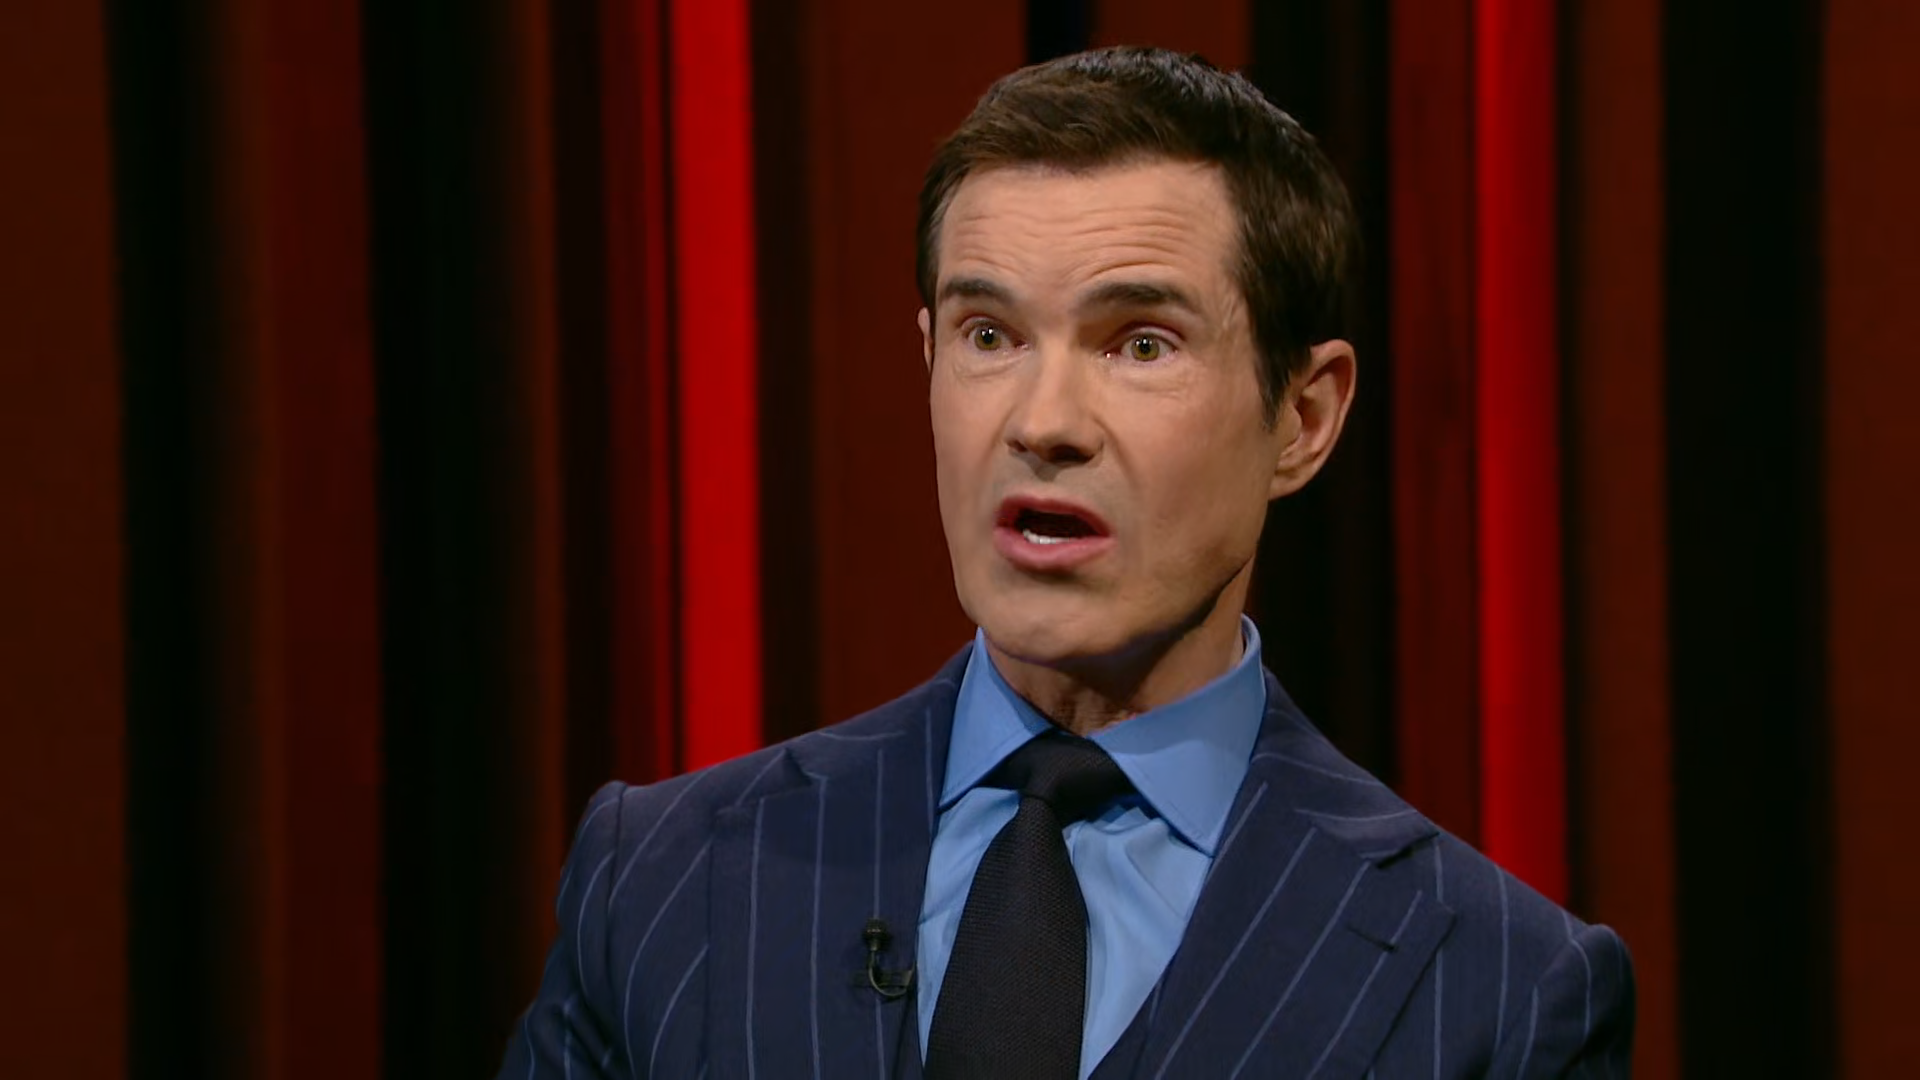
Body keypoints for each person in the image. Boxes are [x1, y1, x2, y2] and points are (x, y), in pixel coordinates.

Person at [499, 46, 1633, 1079]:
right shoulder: (659, 887)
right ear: (929, 361)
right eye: (990, 336)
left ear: (1303, 417)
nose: (1044, 423)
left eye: (1139, 343)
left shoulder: (1499, 994)